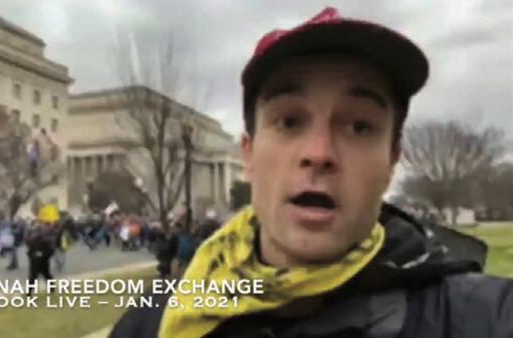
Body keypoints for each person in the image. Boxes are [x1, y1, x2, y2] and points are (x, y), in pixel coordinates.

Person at [110, 7, 513, 338]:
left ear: (392, 161)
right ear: (248, 154)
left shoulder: (477, 319)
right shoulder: (150, 323)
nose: (319, 154)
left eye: (359, 127)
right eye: (289, 121)